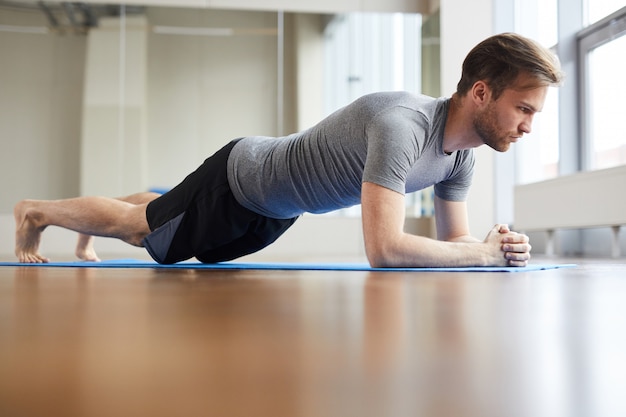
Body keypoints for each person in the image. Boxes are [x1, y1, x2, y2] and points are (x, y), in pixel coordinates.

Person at [14, 32, 563, 267]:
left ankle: (135, 208)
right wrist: (481, 257)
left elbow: (455, 242)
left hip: (279, 211)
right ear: (482, 92)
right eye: (525, 108)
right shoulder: (404, 127)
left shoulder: (460, 155)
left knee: (162, 221)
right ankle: (37, 212)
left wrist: (491, 248)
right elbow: (386, 249)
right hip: (244, 179)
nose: (529, 126)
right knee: (142, 232)